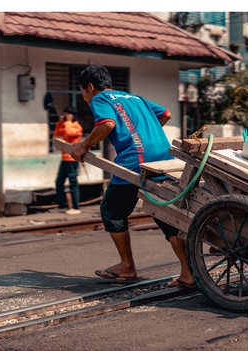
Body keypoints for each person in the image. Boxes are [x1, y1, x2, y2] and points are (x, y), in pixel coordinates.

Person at [71, 64, 195, 288]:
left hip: (134, 161)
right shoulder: (135, 98)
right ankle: (188, 273)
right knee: (164, 212)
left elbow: (106, 124)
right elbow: (166, 113)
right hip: (163, 159)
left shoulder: (101, 99)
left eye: (82, 92)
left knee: (111, 210)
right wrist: (143, 133)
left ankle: (127, 267)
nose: (84, 97)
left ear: (90, 87)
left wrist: (83, 147)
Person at [53, 106, 83, 215]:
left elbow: (70, 133)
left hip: (72, 160)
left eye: (66, 114)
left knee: (73, 184)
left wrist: (69, 121)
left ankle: (76, 207)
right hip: (64, 159)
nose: (65, 117)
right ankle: (61, 205)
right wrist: (60, 123)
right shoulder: (66, 125)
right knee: (59, 182)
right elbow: (58, 133)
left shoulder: (77, 126)